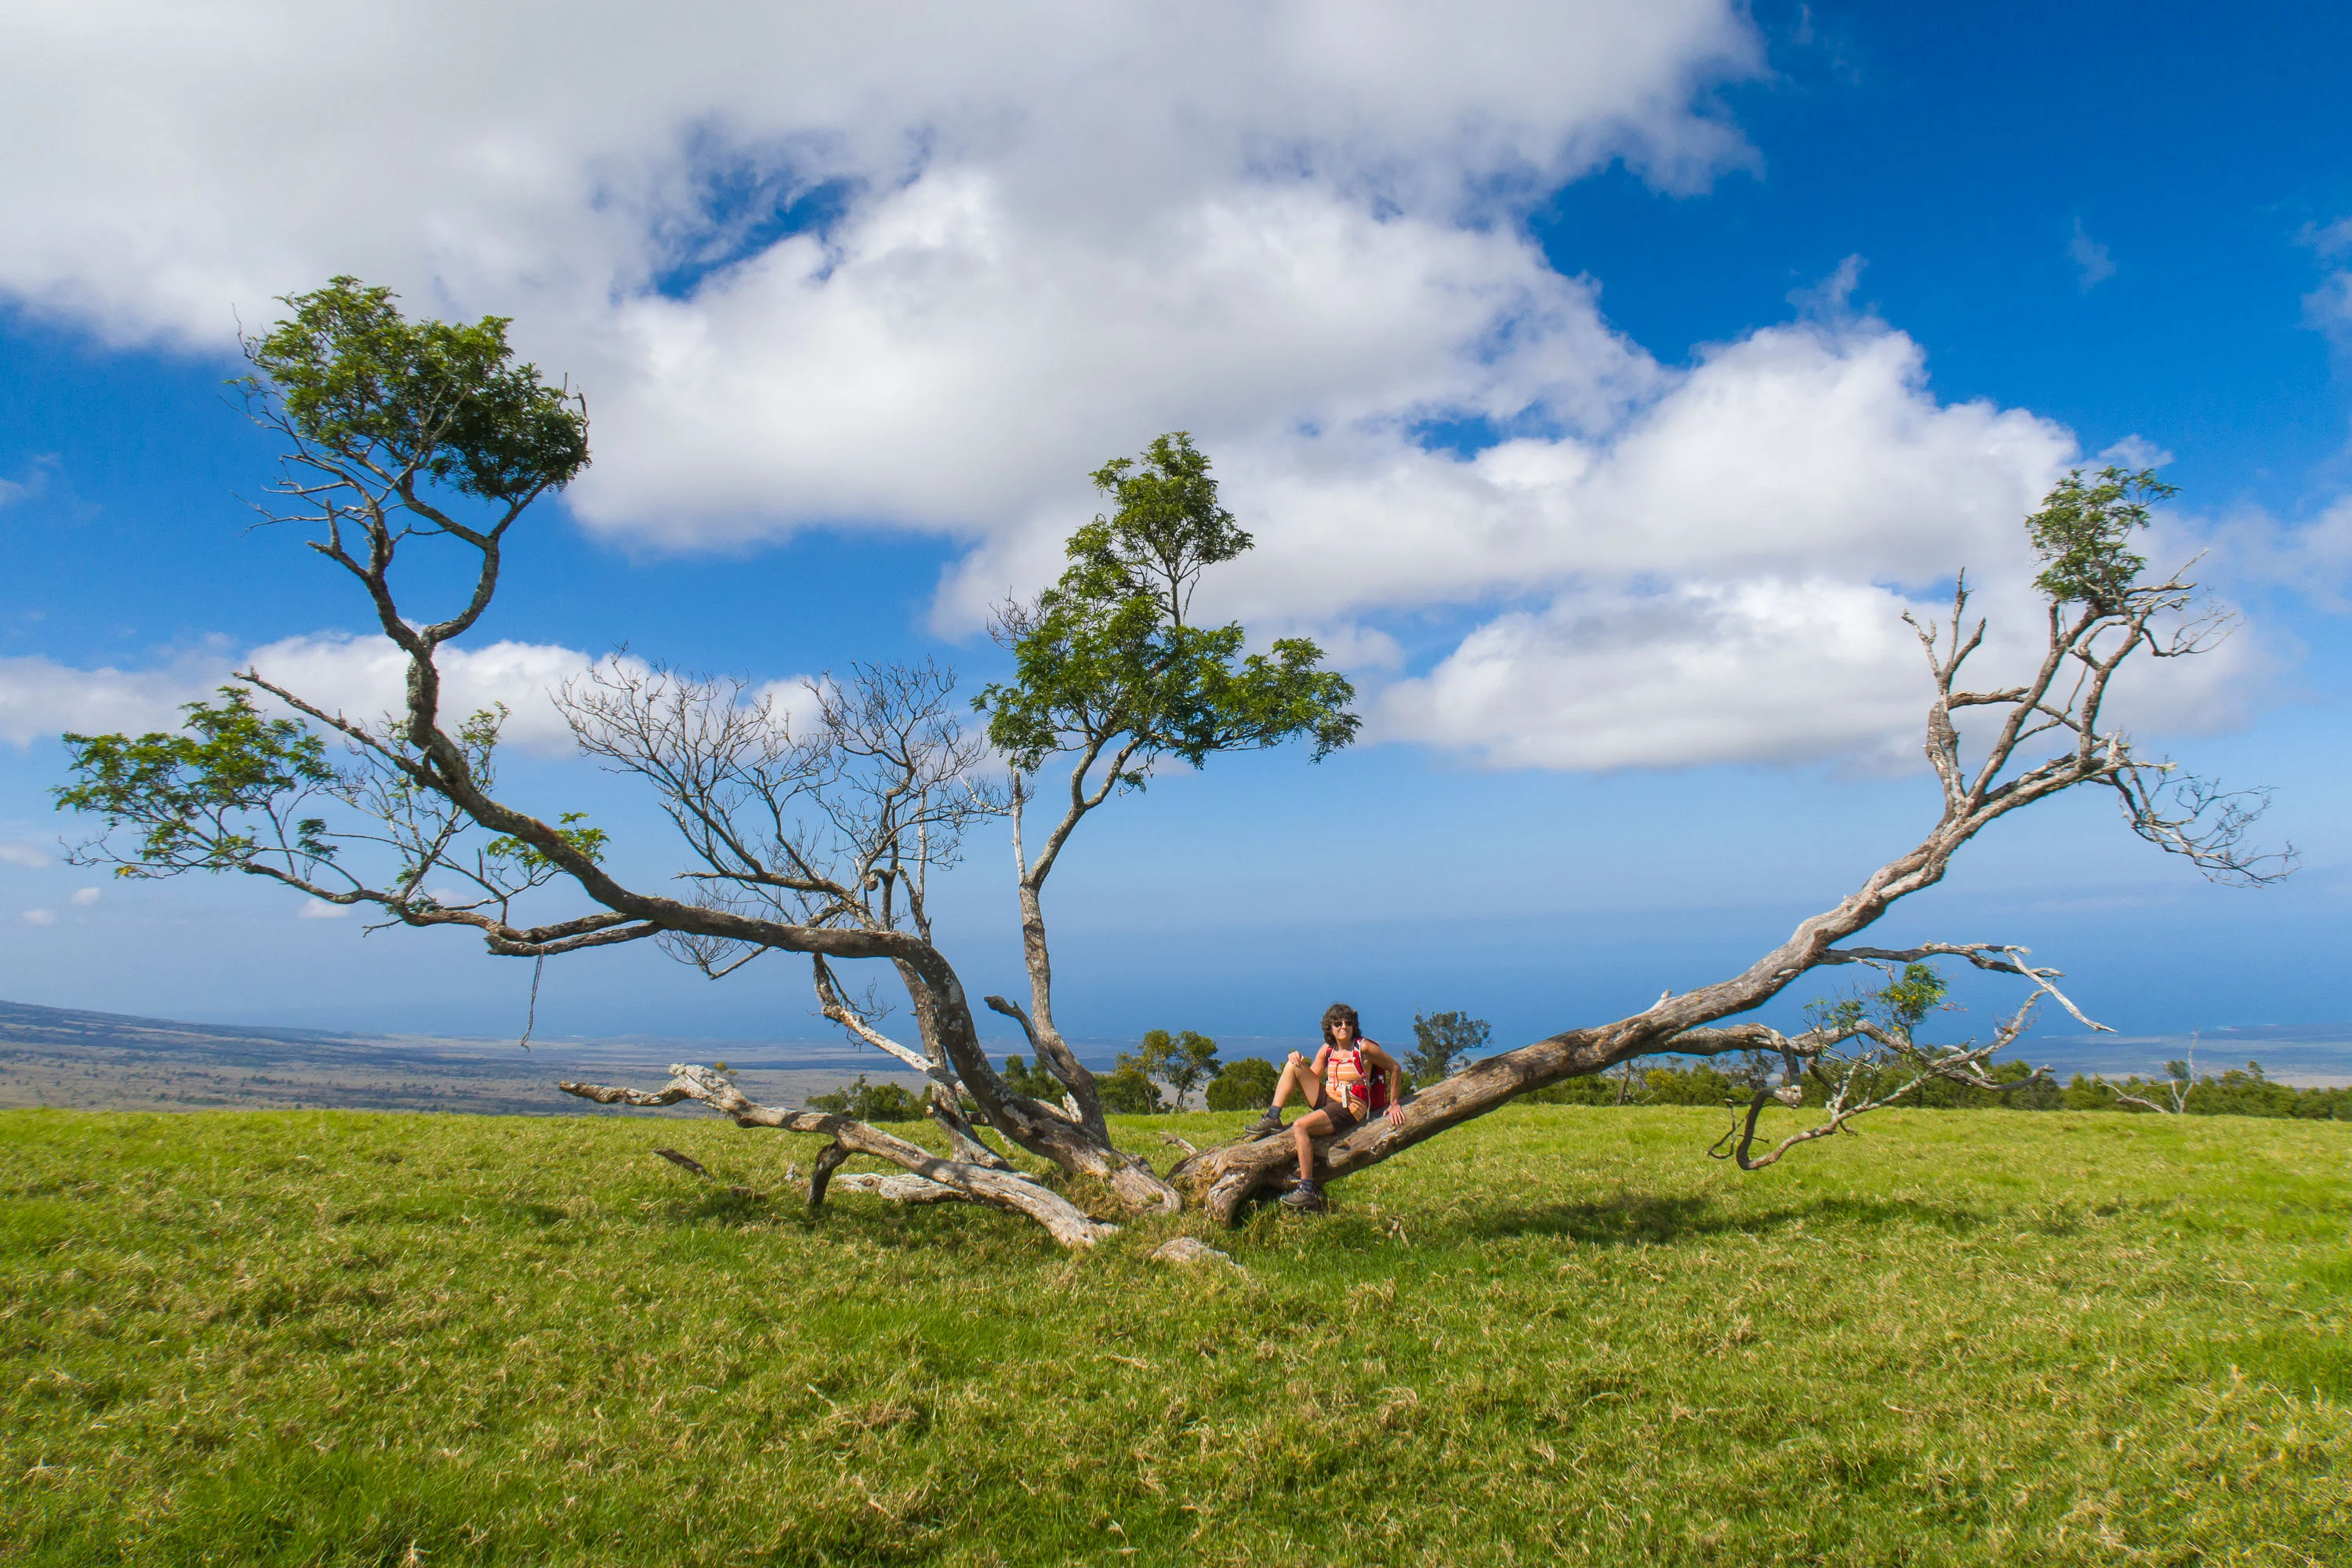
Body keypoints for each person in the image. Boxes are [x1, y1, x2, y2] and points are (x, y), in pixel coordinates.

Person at [1244, 1002, 1406, 1212]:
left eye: (1348, 1023)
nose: (1343, 1027)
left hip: (1351, 1106)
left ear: (1354, 1026)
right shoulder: (1327, 1050)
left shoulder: (1363, 1048)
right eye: (1337, 1023)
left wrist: (1394, 1104)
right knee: (1292, 1065)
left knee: (1301, 1126)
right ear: (1329, 1027)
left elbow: (1395, 1068)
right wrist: (1297, 1061)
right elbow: (1311, 1076)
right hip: (1329, 1098)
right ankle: (1273, 1117)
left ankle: (1307, 1190)